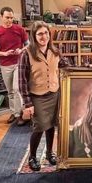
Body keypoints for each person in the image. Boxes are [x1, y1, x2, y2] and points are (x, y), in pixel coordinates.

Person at [18, 21, 66, 171]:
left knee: (51, 125)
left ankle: (49, 153)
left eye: (46, 33)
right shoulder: (26, 53)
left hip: (54, 94)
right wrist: (28, 103)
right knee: (39, 127)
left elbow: (66, 66)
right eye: (40, 34)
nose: (43, 36)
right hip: (37, 97)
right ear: (34, 36)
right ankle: (33, 156)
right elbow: (22, 81)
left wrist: (86, 67)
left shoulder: (55, 51)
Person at [0, 7, 29, 126]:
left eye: (11, 17)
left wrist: (21, 50)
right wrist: (3, 53)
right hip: (5, 64)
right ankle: (13, 112)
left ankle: (19, 114)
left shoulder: (19, 29)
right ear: (1, 17)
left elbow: (28, 45)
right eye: (7, 17)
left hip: (18, 63)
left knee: (16, 89)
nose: (9, 20)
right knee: (10, 91)